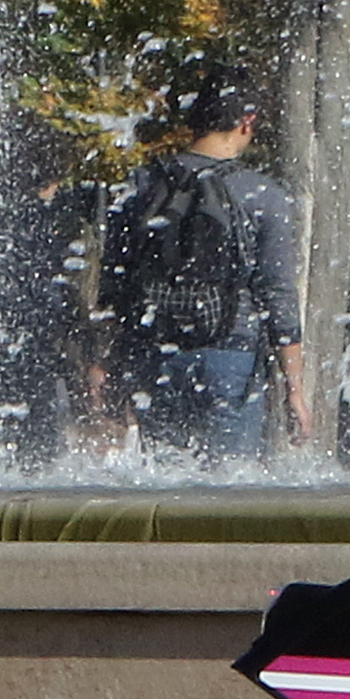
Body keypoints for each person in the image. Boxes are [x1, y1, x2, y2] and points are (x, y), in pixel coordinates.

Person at [98, 76, 305, 457]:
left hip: (155, 352)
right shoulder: (264, 196)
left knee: (165, 488)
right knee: (229, 494)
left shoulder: (141, 184)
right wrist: (295, 389)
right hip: (232, 355)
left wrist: (108, 364)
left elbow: (115, 281)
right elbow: (278, 295)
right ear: (246, 123)